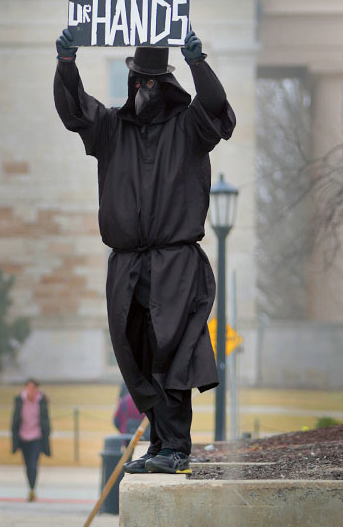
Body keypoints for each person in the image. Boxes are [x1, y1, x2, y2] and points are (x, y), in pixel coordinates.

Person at [54, 27, 234, 476]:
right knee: (135, 350)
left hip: (174, 262)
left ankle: (176, 445)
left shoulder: (187, 127)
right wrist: (66, 64)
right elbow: (76, 110)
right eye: (137, 81)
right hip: (128, 263)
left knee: (172, 352)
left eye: (151, 82)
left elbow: (215, 109)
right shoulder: (114, 129)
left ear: (165, 84)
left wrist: (198, 63)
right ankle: (159, 443)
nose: (142, 90)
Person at [10, 379, 51, 501]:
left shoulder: (42, 401)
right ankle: (30, 487)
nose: (30, 391)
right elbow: (15, 420)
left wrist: (47, 435)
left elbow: (46, 421)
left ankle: (32, 488)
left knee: (33, 464)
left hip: (36, 437)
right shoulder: (19, 400)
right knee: (27, 465)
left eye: (33, 388)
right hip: (23, 437)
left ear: (37, 389)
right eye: (28, 388)